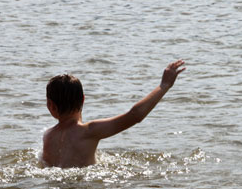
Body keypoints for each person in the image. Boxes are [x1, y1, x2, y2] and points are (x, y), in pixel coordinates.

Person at [42, 60, 186, 168]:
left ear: (50, 105)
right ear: (83, 99)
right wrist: (164, 85)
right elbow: (135, 115)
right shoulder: (88, 132)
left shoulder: (48, 136)